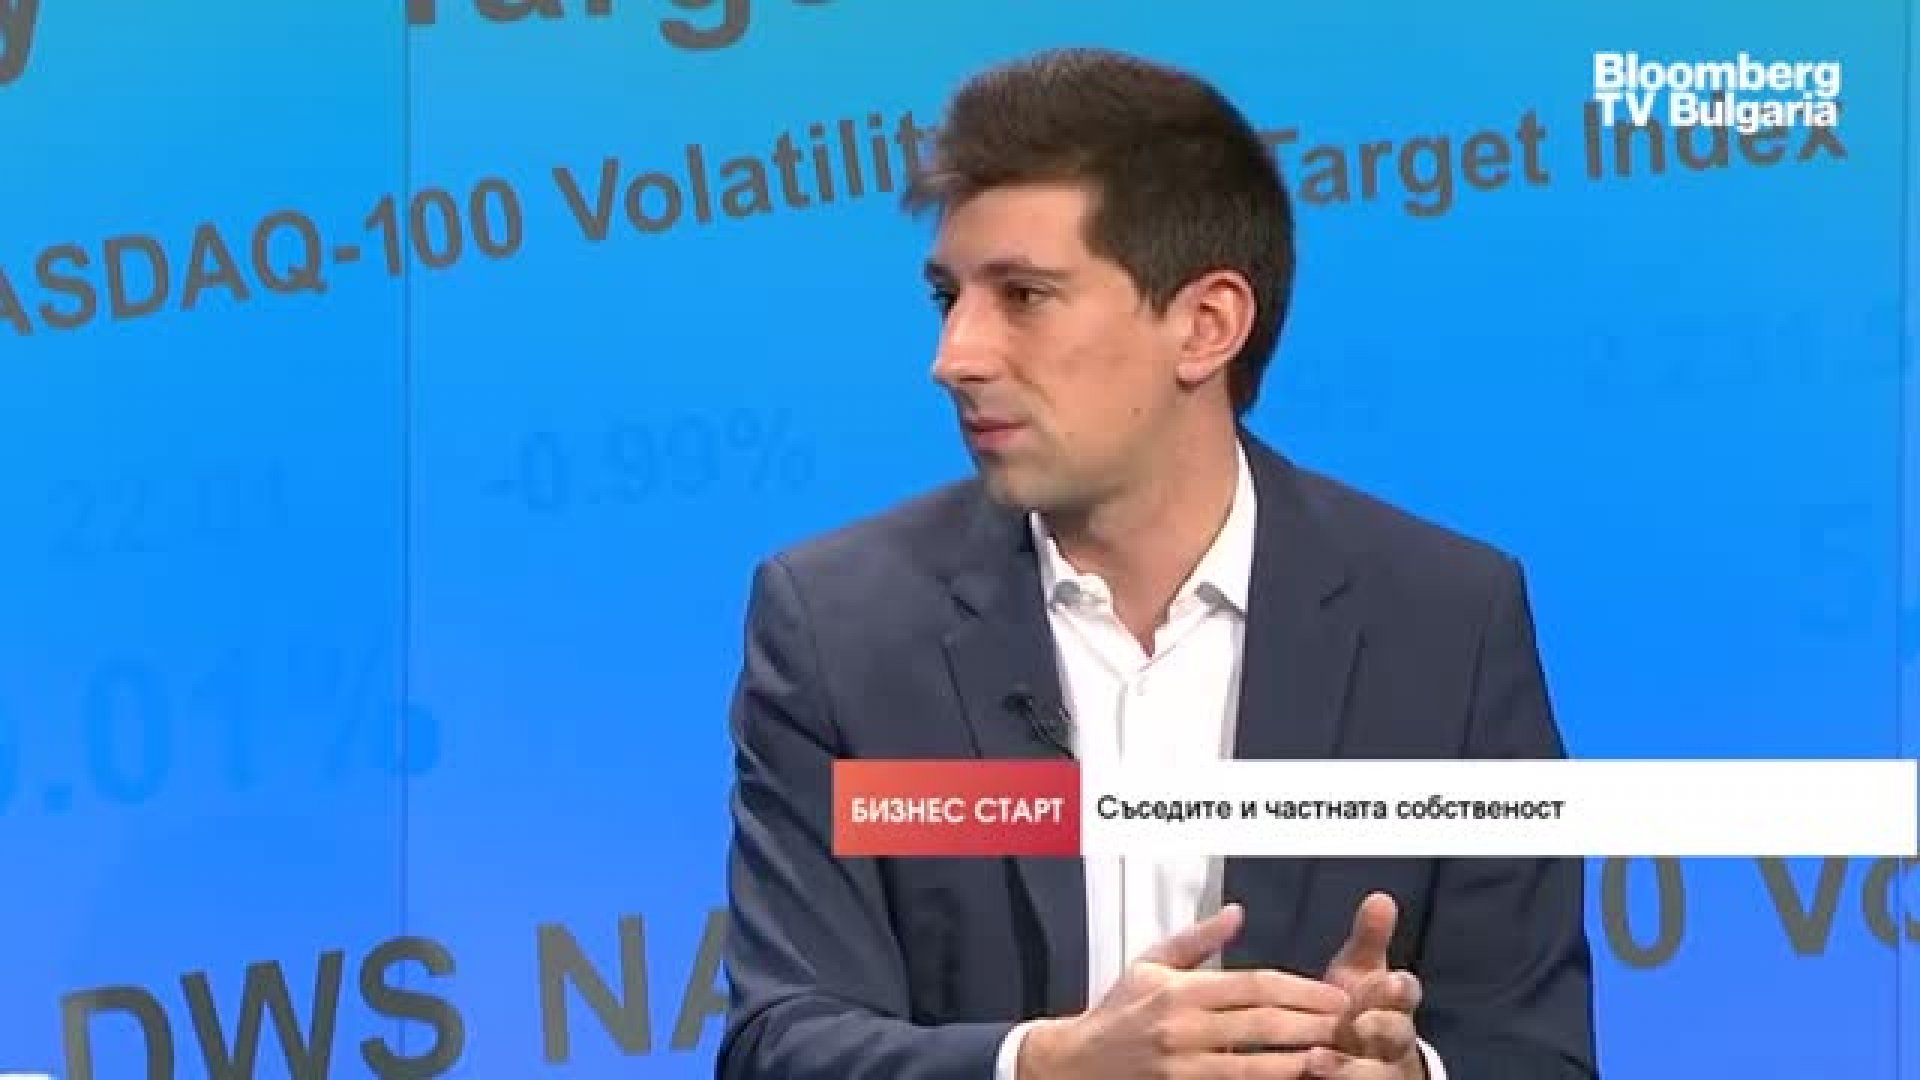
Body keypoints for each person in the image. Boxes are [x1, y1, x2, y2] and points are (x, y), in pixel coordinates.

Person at [716, 47, 1598, 1080]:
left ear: (1206, 325)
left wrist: (1407, 1075)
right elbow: (781, 1044)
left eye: (1024, 295)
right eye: (947, 296)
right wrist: (1047, 1066)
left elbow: (1534, 1051)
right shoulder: (840, 628)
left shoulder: (1447, 623)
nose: (954, 356)